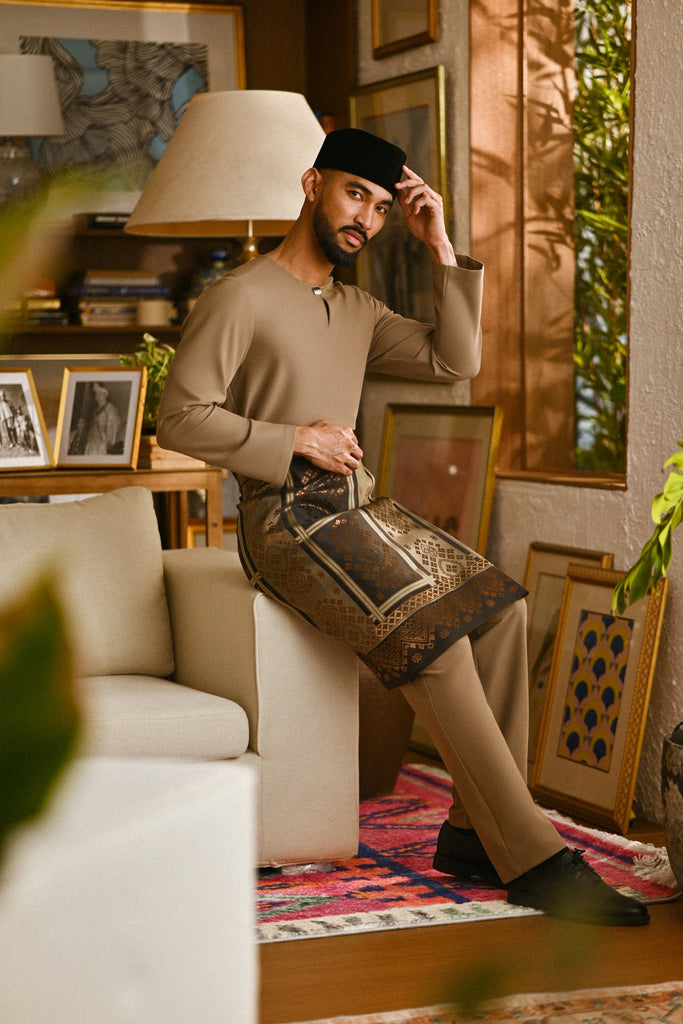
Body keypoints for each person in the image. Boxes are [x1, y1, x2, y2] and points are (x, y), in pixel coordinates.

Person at [157, 128, 648, 927]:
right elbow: (180, 418)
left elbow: (453, 362)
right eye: (355, 195)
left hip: (357, 509)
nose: (366, 219)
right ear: (312, 184)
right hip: (284, 520)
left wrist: (439, 247)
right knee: (434, 640)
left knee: (500, 609)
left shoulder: (356, 308)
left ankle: (472, 834)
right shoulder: (238, 296)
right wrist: (295, 439)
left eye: (382, 208)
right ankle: (535, 859)